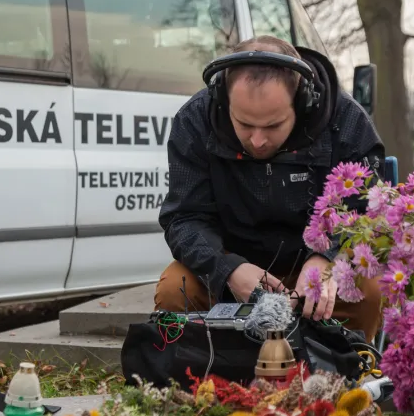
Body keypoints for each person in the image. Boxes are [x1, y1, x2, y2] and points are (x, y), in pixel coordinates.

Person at [154, 35, 385, 342]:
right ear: (224, 101)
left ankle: (348, 375)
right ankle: (202, 379)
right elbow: (183, 219)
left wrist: (326, 258)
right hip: (231, 263)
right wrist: (229, 270)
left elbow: (366, 209)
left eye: (274, 125)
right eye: (244, 124)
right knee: (174, 287)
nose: (258, 140)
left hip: (318, 267)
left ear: (302, 101)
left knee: (369, 288)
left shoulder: (346, 121)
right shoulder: (195, 121)